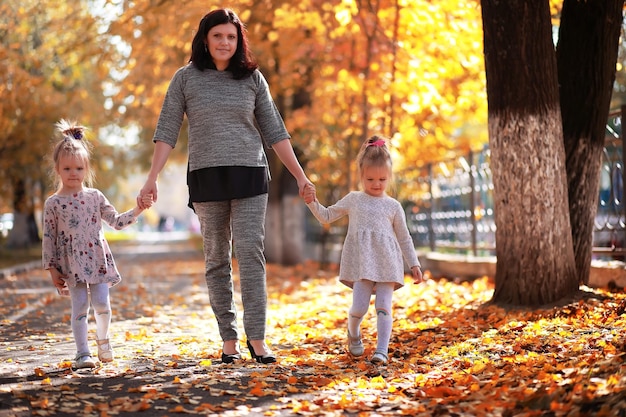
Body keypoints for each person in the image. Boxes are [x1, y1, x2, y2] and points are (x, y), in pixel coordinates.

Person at [136, 8, 312, 364]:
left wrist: (299, 175)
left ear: (238, 40)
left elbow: (275, 131)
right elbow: (167, 130)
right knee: (217, 259)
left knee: (250, 254)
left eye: (231, 36)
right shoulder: (185, 79)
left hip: (250, 174)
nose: (225, 42)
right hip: (207, 177)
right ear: (205, 39)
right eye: (218, 36)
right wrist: (152, 178)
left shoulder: (252, 79)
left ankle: (258, 338)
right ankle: (229, 339)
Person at [303, 135, 423, 365]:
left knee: (383, 306)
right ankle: (353, 331)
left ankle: (381, 350)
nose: (376, 184)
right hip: (363, 262)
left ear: (389, 177)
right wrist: (311, 202)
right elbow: (327, 216)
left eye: (382, 179)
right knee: (359, 308)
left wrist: (414, 263)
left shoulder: (393, 206)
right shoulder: (354, 199)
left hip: (388, 262)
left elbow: (404, 237)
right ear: (361, 176)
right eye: (370, 179)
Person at [42, 120, 153, 369]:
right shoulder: (53, 204)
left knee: (102, 304)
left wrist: (138, 208)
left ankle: (103, 340)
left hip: (97, 260)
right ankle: (83, 353)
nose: (74, 173)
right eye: (68, 168)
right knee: (80, 306)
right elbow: (48, 239)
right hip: (71, 265)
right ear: (58, 169)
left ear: (86, 169)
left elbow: (116, 221)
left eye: (79, 168)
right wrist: (52, 269)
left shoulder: (95, 197)